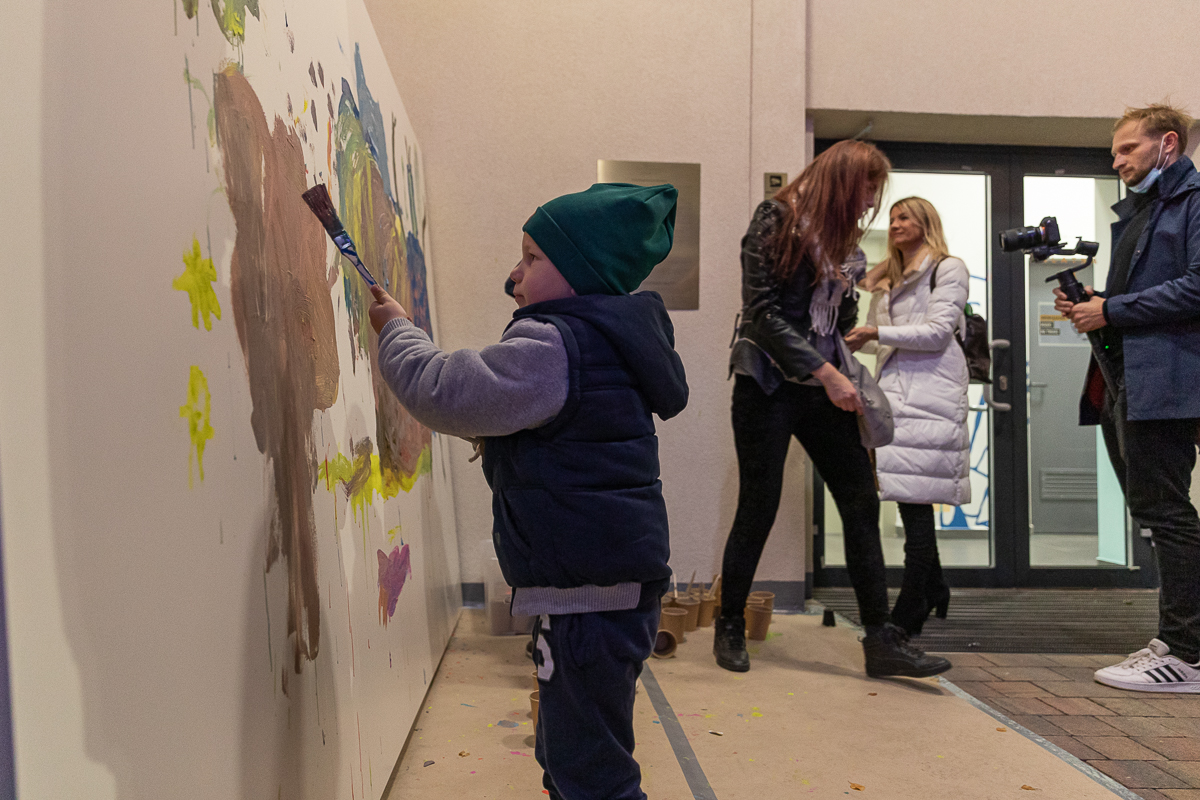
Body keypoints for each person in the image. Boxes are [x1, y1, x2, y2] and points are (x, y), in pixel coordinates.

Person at [368, 183, 688, 798]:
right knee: (569, 751)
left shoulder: (551, 345)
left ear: (580, 273)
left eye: (533, 258)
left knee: (590, 769)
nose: (514, 274)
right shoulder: (599, 341)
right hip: (600, 584)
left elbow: (447, 392)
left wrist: (396, 333)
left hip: (589, 596)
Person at [714, 139, 951, 678]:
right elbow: (763, 315)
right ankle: (729, 624)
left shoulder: (848, 247)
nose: (872, 203)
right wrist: (826, 373)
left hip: (823, 387)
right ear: (843, 181)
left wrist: (855, 339)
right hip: (768, 384)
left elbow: (834, 323)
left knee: (860, 503)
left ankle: (881, 642)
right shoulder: (776, 219)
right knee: (760, 502)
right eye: (868, 189)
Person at [1055, 103, 1200, 692]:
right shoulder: (1145, 210)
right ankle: (1178, 642)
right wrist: (1096, 302)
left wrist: (1110, 308)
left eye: (1127, 150)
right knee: (1158, 512)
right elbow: (1148, 294)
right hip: (1134, 380)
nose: (1117, 162)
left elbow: (1197, 286)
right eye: (1113, 153)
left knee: (1167, 514)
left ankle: (1186, 653)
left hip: (1168, 383)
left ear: (1168, 144)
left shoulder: (1192, 203)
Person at [846, 197, 971, 636]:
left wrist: (877, 332)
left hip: (931, 396)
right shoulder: (892, 278)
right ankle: (934, 586)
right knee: (909, 500)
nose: (895, 224)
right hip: (897, 395)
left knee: (916, 507)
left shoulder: (948, 268)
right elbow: (881, 329)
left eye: (904, 218)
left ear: (925, 223)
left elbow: (937, 333)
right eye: (892, 218)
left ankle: (905, 615)